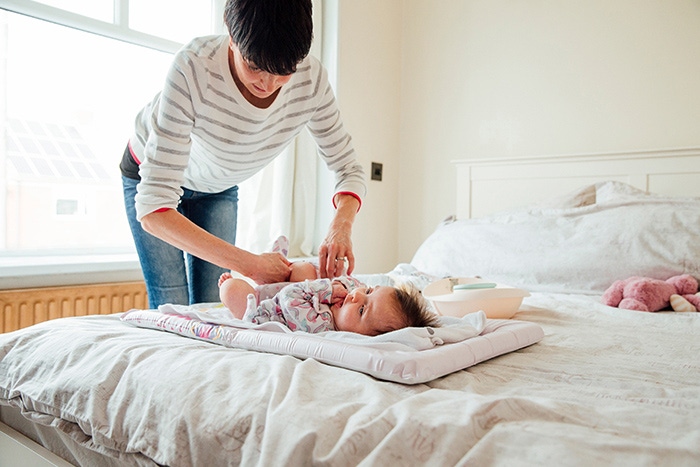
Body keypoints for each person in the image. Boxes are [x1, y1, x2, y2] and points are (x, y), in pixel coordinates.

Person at [120, 0, 366, 309]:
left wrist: (340, 227)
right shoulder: (194, 66)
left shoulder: (311, 81)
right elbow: (154, 208)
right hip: (150, 176)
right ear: (230, 33)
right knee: (172, 304)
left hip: (218, 185)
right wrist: (251, 264)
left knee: (215, 304)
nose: (268, 84)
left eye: (283, 73)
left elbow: (349, 169)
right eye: (254, 67)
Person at [218, 272, 440, 336]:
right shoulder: (348, 300)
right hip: (290, 293)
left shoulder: (320, 325)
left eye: (362, 310)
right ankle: (270, 277)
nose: (357, 295)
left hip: (264, 309)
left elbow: (290, 297)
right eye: (370, 291)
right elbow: (354, 282)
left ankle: (259, 284)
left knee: (231, 289)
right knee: (305, 269)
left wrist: (326, 289)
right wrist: (341, 284)